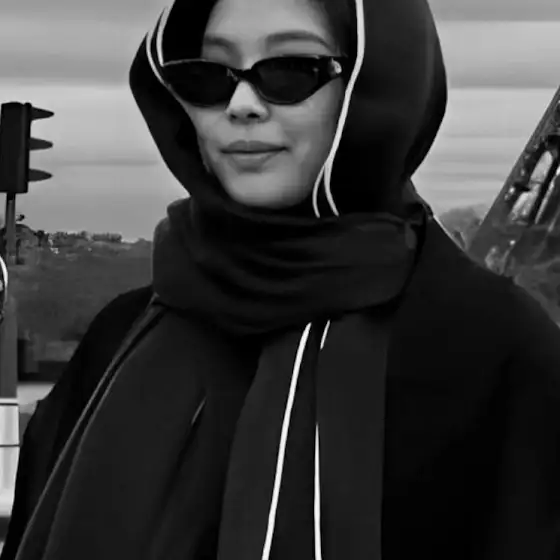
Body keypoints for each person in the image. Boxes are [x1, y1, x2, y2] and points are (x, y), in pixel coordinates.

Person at [3, 0, 560, 558]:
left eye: (290, 71)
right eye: (206, 77)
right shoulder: (114, 337)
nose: (241, 105)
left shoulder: (493, 352)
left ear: (379, 83)